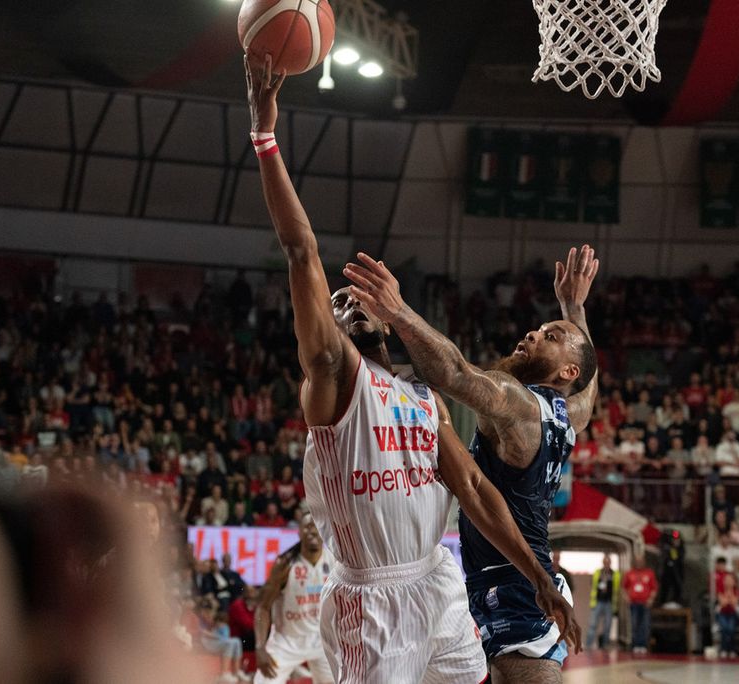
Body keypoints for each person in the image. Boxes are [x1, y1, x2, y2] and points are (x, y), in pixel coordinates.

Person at [247, 54, 575, 684]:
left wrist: (540, 577)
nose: (350, 303)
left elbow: (473, 488)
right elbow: (301, 251)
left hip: (436, 580)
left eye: (356, 298)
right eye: (338, 305)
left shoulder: (422, 398)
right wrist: (266, 138)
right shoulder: (334, 383)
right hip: (371, 600)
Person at [343, 244, 598, 683]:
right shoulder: (569, 415)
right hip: (503, 579)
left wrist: (399, 312)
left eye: (551, 337)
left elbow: (455, 374)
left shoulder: (520, 404)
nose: (533, 334)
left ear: (567, 373)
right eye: (539, 330)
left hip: (517, 586)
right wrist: (573, 309)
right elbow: (588, 393)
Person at [255, 512, 333, 684]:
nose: (313, 531)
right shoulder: (284, 564)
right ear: (299, 532)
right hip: (286, 641)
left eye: (316, 526)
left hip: (321, 640)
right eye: (308, 526)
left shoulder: (334, 562)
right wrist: (260, 647)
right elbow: (263, 607)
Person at [623, 555, 657, 654]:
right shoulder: (629, 573)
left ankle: (643, 645)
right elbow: (623, 588)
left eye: (641, 561)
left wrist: (651, 599)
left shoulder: (649, 573)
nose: (639, 563)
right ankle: (635, 645)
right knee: (634, 624)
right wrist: (626, 598)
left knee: (645, 624)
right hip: (634, 603)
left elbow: (654, 588)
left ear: (644, 562)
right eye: (637, 561)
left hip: (645, 603)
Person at [585, 555, 619, 651]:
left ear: (610, 563)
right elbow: (593, 584)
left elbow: (617, 588)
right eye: (605, 562)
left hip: (609, 603)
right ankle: (588, 645)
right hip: (598, 602)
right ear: (603, 563)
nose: (606, 564)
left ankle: (604, 645)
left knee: (607, 625)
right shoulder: (598, 573)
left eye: (608, 562)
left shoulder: (614, 574)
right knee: (593, 624)